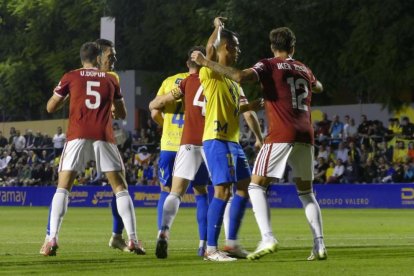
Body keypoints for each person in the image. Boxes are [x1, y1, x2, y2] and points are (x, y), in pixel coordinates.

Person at [192, 25, 327, 261]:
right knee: (306, 192)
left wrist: (204, 61)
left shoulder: (267, 64)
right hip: (306, 134)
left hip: (281, 133)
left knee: (254, 187)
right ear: (293, 47)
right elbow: (318, 87)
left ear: (272, 47)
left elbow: (240, 75)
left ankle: (266, 237)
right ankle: (319, 245)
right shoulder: (304, 68)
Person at [40, 41, 145, 256]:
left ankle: (51, 239)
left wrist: (68, 97)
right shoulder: (110, 79)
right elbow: (122, 113)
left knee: (63, 187)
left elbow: (51, 107)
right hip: (103, 135)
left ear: (81, 58)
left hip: (77, 134)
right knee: (120, 187)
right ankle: (133, 239)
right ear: (98, 58)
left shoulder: (70, 76)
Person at [191, 17, 262, 262]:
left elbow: (237, 109)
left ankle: (231, 243)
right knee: (221, 190)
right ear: (227, 47)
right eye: (237, 46)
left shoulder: (232, 80)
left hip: (232, 140)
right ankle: (211, 249)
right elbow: (209, 49)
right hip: (216, 138)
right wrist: (217, 28)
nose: (239, 51)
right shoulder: (209, 71)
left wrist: (252, 106)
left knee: (244, 186)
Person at [149, 46, 210, 258]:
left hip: (169, 145)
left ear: (187, 63)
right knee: (201, 192)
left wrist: (165, 124)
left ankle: (163, 233)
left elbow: (155, 108)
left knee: (168, 191)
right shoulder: (209, 80)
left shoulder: (170, 81)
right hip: (198, 142)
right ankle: (204, 243)